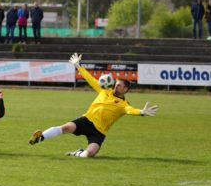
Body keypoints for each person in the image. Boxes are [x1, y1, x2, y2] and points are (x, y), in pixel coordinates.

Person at [29, 53, 158, 158]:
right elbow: (90, 79)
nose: (115, 86)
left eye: (119, 85)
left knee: (90, 153)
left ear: (125, 90)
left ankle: (78, 153)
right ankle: (40, 138)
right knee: (66, 127)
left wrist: (141, 112)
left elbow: (131, 110)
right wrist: (78, 66)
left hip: (99, 131)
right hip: (87, 120)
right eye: (116, 84)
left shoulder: (124, 105)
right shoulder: (104, 90)